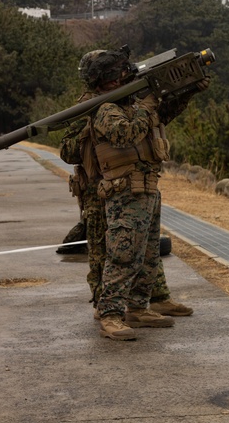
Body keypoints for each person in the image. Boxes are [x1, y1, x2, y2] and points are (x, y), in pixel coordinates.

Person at [68, 49, 208, 340]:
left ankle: (136, 308)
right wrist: (147, 105)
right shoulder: (104, 109)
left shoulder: (129, 104)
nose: (126, 74)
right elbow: (125, 134)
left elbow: (159, 117)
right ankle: (110, 315)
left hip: (145, 188)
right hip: (124, 193)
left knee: (146, 255)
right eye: (120, 72)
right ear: (107, 78)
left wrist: (187, 91)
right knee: (122, 255)